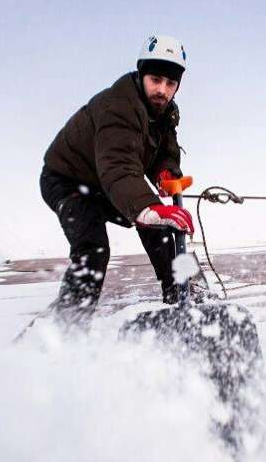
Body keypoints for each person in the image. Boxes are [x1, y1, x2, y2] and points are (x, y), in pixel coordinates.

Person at [40, 34, 195, 329]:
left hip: (106, 180)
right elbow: (118, 164)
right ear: (141, 74)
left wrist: (166, 174)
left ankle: (181, 293)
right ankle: (68, 326)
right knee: (93, 247)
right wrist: (146, 205)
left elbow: (165, 151)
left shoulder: (165, 112)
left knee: (160, 225)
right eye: (156, 79)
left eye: (170, 83)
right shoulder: (118, 106)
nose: (162, 90)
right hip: (67, 180)